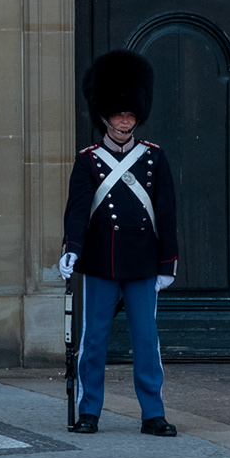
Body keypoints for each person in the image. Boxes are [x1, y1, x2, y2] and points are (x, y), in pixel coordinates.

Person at [58, 49, 179, 437]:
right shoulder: (88, 161)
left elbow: (166, 213)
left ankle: (153, 413)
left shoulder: (154, 159)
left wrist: (167, 264)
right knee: (93, 341)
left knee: (147, 341)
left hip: (142, 264)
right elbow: (77, 209)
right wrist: (71, 248)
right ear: (105, 116)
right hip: (101, 263)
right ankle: (89, 410)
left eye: (129, 114)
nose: (124, 119)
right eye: (118, 113)